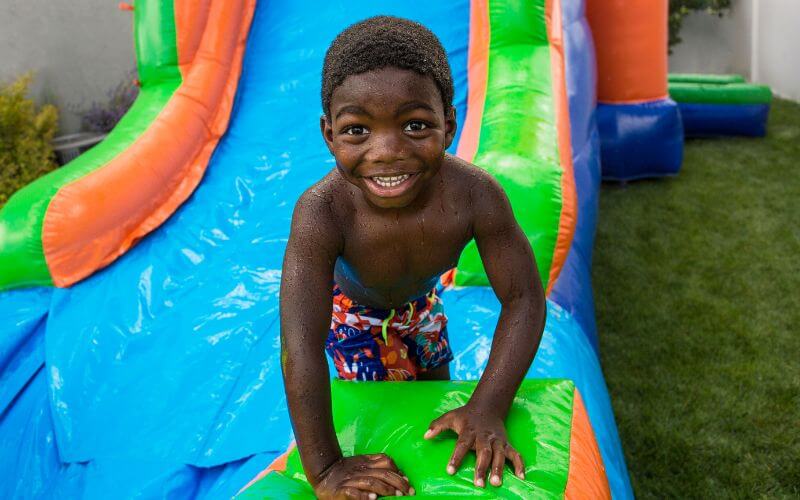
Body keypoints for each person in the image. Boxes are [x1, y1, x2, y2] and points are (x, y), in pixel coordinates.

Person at [280, 15, 546, 499]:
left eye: (415, 125)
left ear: (449, 124)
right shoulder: (322, 212)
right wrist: (325, 470)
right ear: (328, 134)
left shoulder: (475, 196)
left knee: (434, 408)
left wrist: (488, 406)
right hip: (353, 317)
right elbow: (300, 346)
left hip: (421, 307)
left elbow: (525, 297)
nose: (386, 151)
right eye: (358, 129)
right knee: (378, 421)